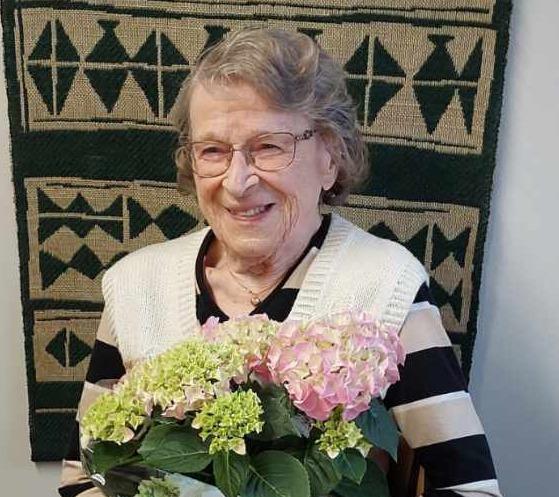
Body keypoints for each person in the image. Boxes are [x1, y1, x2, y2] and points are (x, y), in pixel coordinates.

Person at [59, 28, 502, 497]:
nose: (237, 182)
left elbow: (473, 490)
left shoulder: (385, 284)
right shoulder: (136, 285)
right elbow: (82, 477)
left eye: (269, 146)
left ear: (330, 157)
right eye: (212, 151)